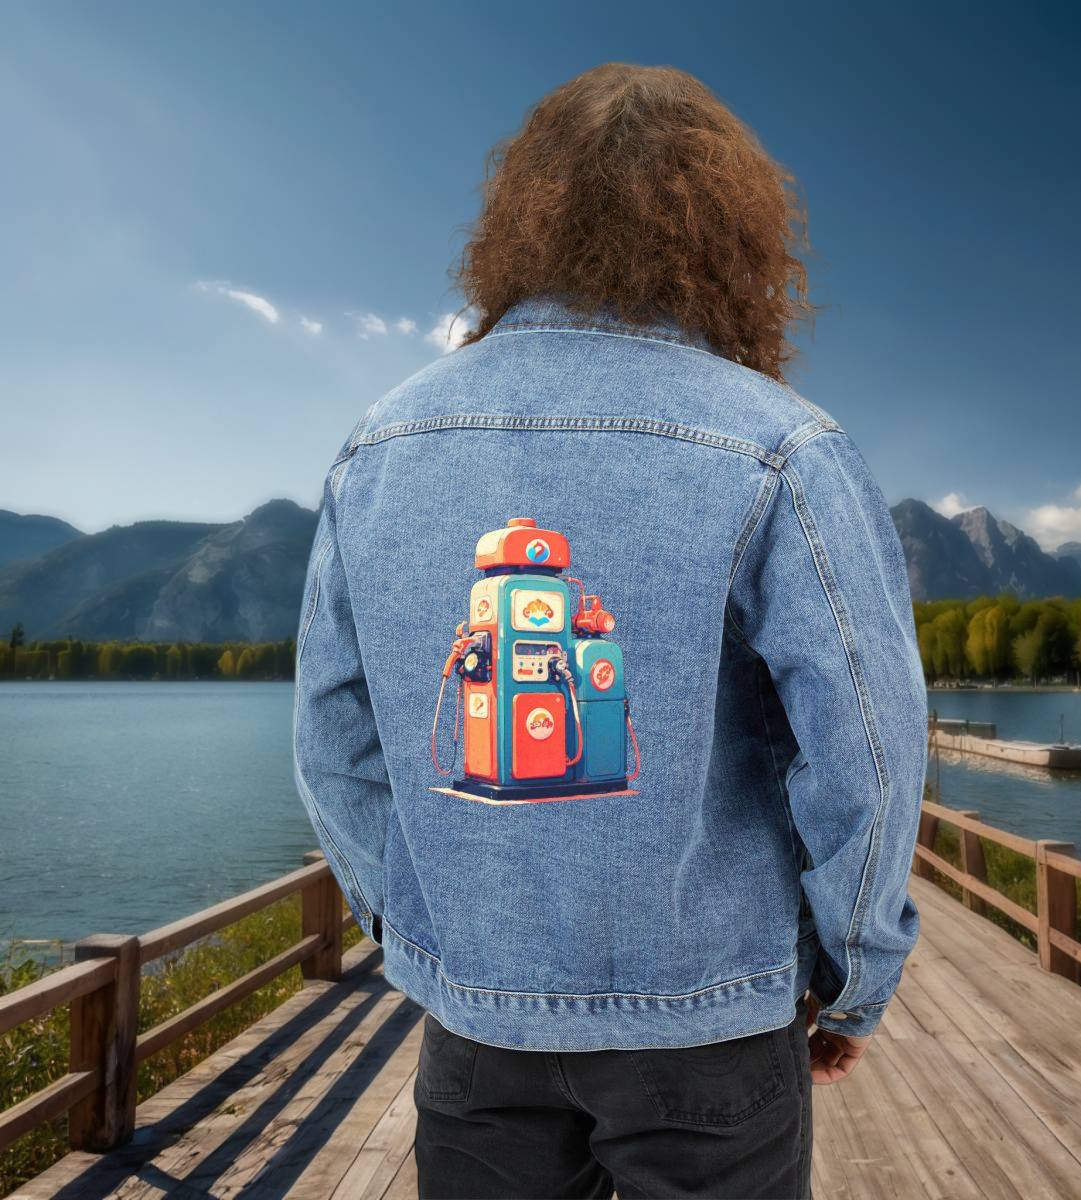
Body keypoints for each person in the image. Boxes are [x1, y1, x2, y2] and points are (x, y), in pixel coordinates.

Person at [294, 62, 927, 1200]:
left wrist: (415, 923)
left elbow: (332, 742)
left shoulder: (378, 446)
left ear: (522, 219)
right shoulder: (784, 447)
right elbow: (870, 755)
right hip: (714, 1013)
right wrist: (855, 972)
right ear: (732, 233)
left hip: (477, 1016)